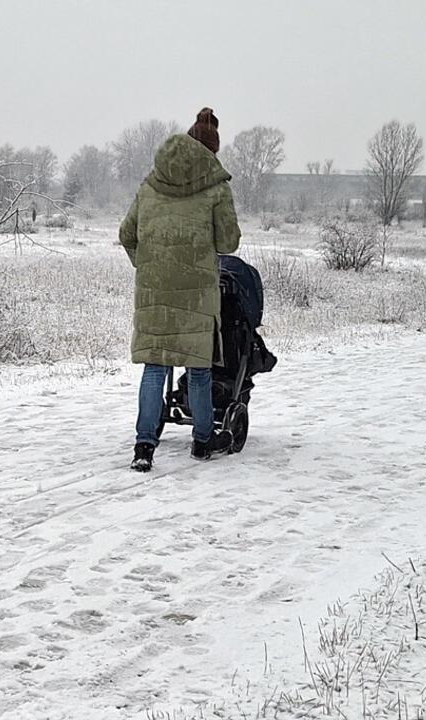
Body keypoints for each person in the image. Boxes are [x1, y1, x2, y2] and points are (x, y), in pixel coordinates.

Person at [120, 107, 240, 471]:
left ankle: (144, 446)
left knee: (154, 367)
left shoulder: (150, 184)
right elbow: (229, 242)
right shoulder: (216, 188)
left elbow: (127, 234)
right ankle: (203, 441)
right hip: (197, 292)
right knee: (199, 368)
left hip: (154, 291)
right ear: (212, 151)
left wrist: (149, 265)